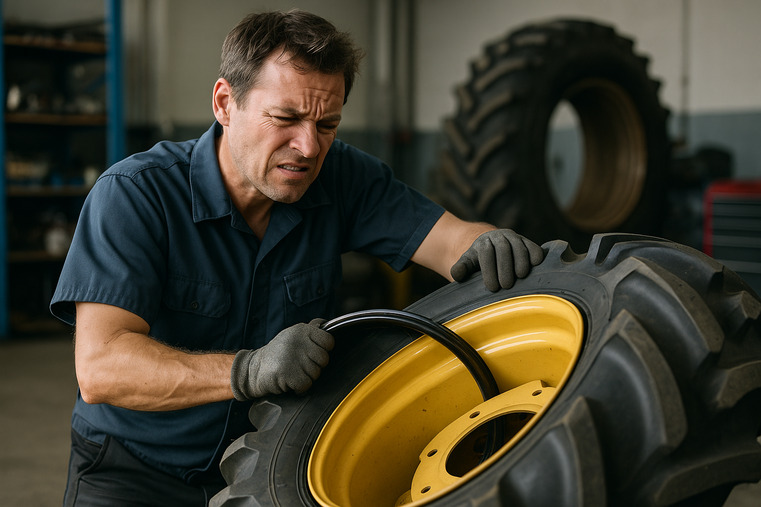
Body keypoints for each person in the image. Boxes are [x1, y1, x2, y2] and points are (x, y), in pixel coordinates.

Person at [51, 9, 544, 507]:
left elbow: (453, 241)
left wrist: (488, 242)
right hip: (132, 471)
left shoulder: (342, 177)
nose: (308, 147)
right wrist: (250, 370)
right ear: (225, 103)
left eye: (327, 123)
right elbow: (102, 367)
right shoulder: (136, 195)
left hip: (266, 466)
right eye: (285, 118)